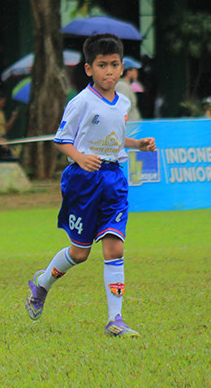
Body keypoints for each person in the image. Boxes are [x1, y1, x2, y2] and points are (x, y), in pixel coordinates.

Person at [24, 33, 156, 337]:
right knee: (80, 253)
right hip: (83, 181)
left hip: (114, 180)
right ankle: (42, 284)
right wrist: (80, 158)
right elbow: (62, 140)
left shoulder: (122, 102)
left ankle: (115, 319)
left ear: (122, 67)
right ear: (88, 69)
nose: (108, 71)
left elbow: (114, 137)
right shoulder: (80, 102)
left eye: (113, 65)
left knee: (114, 247)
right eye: (101, 65)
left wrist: (138, 144)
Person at [116, 57, 141, 123]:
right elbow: (122, 111)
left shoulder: (126, 85)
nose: (137, 73)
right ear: (128, 72)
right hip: (128, 130)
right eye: (135, 70)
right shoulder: (122, 86)